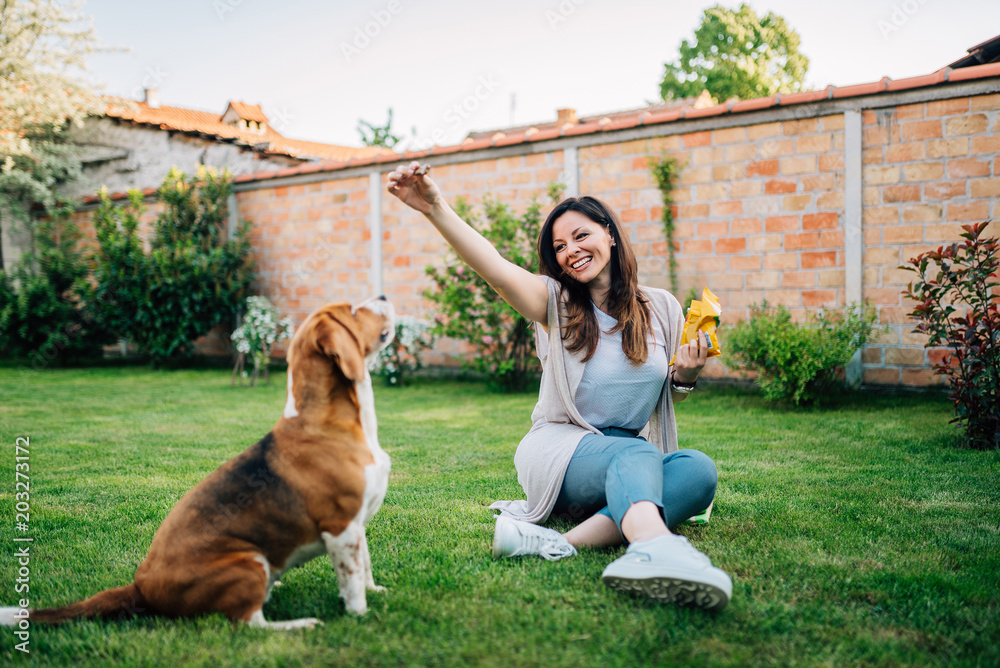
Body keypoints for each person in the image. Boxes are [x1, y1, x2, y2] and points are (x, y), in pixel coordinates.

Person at [387, 161, 732, 611]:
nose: (571, 250)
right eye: (560, 246)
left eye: (581, 235)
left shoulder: (662, 307)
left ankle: (560, 543)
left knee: (698, 471)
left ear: (609, 233)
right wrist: (435, 208)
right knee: (639, 454)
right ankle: (656, 547)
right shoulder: (554, 304)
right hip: (562, 452)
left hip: (628, 452)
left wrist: (685, 376)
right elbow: (494, 269)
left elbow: (667, 390)